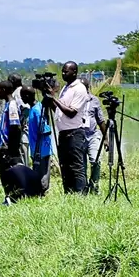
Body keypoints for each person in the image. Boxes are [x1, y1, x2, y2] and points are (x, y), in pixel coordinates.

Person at [50, 62, 92, 195]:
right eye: (62, 71)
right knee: (65, 165)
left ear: (74, 72)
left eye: (66, 71)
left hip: (74, 132)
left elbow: (71, 112)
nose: (63, 74)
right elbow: (60, 110)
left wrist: (54, 98)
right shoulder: (66, 88)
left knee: (76, 166)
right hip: (63, 132)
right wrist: (51, 101)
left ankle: (80, 194)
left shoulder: (79, 88)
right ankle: (68, 192)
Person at [0, 79, 24, 200]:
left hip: (9, 146)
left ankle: (13, 197)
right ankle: (8, 196)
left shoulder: (12, 105)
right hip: (4, 145)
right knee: (3, 173)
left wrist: (11, 148)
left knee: (8, 172)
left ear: (4, 90)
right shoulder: (7, 104)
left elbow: (15, 127)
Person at [22, 83, 53, 195]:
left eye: (22, 95)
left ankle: (42, 193)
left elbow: (45, 129)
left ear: (26, 96)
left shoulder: (37, 110)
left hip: (42, 149)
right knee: (37, 172)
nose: (21, 98)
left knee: (42, 174)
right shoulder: (32, 109)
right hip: (35, 148)